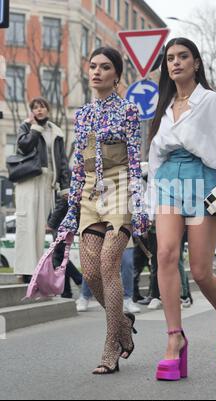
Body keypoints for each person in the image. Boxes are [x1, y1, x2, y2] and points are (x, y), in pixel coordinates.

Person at [146, 38, 216, 381]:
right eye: (170, 58)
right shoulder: (163, 107)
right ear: (166, 67)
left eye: (183, 57)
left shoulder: (210, 101)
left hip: (206, 183)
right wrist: (149, 194)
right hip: (168, 181)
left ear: (196, 63)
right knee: (165, 254)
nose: (176, 63)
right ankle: (174, 340)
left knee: (199, 270)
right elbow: (155, 156)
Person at [58, 47, 149, 375]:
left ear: (116, 75)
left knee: (110, 263)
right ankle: (123, 323)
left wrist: (138, 206)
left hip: (120, 188)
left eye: (105, 67)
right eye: (93, 66)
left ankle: (112, 344)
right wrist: (72, 209)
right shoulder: (81, 114)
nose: (97, 71)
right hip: (89, 194)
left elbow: (135, 162)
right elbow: (78, 168)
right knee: (91, 271)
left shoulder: (128, 110)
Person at [15, 97, 70, 284]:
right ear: (31, 111)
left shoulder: (56, 131)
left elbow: (62, 161)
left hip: (48, 184)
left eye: (42, 107)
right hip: (29, 182)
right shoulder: (25, 127)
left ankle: (36, 271)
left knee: (41, 229)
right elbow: (24, 146)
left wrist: (65, 187)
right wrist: (34, 128)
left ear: (48, 109)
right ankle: (24, 271)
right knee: (27, 226)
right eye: (35, 107)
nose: (39, 110)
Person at [47, 197, 83, 299]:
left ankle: (79, 280)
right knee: (61, 257)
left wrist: (51, 223)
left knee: (59, 256)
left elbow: (64, 197)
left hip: (63, 220)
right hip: (63, 220)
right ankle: (67, 292)